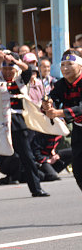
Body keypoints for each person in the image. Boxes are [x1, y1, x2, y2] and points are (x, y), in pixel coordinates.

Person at [0, 50, 49, 197]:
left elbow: (27, 69)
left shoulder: (22, 80)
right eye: (5, 68)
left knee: (28, 157)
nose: (8, 71)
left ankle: (36, 188)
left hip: (18, 122)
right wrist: (0, 60)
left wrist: (14, 60)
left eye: (11, 68)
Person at [43, 49, 82, 192]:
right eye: (63, 64)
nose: (65, 68)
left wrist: (59, 112)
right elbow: (52, 97)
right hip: (78, 129)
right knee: (78, 171)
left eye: (70, 64)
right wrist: (47, 103)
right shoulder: (60, 84)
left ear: (80, 66)